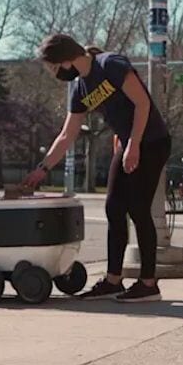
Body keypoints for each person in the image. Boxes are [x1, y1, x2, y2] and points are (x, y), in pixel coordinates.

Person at [24, 34, 171, 302]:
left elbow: (142, 103)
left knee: (138, 209)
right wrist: (42, 169)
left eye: (53, 67)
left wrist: (134, 144)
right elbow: (67, 135)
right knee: (114, 207)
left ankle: (149, 284)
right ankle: (113, 281)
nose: (54, 73)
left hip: (151, 141)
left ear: (65, 59)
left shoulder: (110, 64)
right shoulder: (79, 88)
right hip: (129, 142)